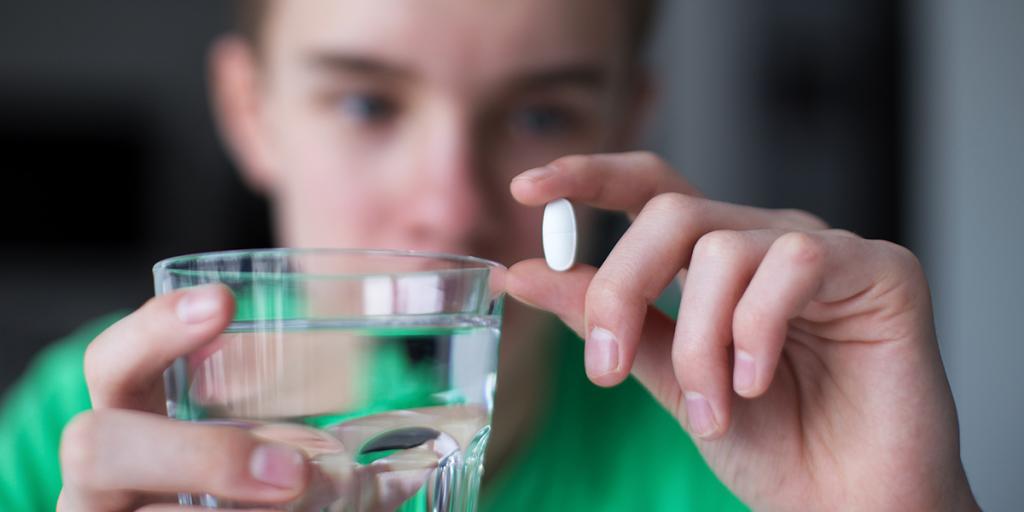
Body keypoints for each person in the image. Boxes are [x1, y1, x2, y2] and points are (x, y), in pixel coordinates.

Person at [0, 0, 980, 510]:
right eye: (366, 103)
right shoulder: (75, 429)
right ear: (249, 110)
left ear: (627, 118)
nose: (451, 203)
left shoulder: (751, 439)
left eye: (540, 111)